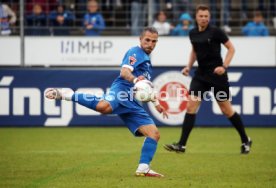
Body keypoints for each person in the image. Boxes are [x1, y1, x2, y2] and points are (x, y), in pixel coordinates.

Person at [45, 27, 168, 177]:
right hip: (122, 89)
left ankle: (143, 168)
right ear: (140, 39)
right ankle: (68, 94)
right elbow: (124, 72)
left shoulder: (147, 61)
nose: (150, 43)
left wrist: (156, 104)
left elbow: (146, 87)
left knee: (153, 134)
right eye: (147, 40)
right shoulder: (136, 52)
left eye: (154, 41)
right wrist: (135, 79)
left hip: (132, 101)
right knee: (103, 107)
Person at [164, 4, 252, 154]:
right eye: (201, 16)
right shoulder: (192, 33)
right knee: (191, 106)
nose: (204, 18)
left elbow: (231, 48)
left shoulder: (216, 32)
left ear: (209, 17)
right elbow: (194, 51)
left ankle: (245, 140)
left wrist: (224, 67)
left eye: (206, 16)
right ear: (196, 17)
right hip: (201, 76)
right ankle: (181, 145)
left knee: (227, 110)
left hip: (218, 77)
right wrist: (188, 66)